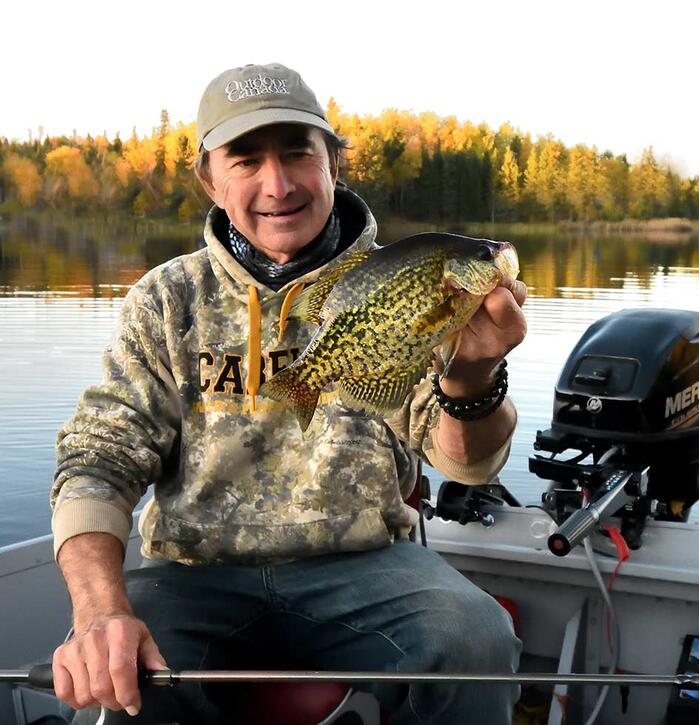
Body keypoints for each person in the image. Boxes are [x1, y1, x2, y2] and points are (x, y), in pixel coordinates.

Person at [50, 63, 528, 724]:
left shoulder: (404, 280)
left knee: (475, 637)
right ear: (209, 178)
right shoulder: (165, 300)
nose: (277, 185)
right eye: (246, 160)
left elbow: (466, 463)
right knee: (122, 683)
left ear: (333, 160)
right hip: (192, 574)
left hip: (367, 567)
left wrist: (472, 378)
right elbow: (97, 458)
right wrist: (98, 610)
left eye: (298, 153)